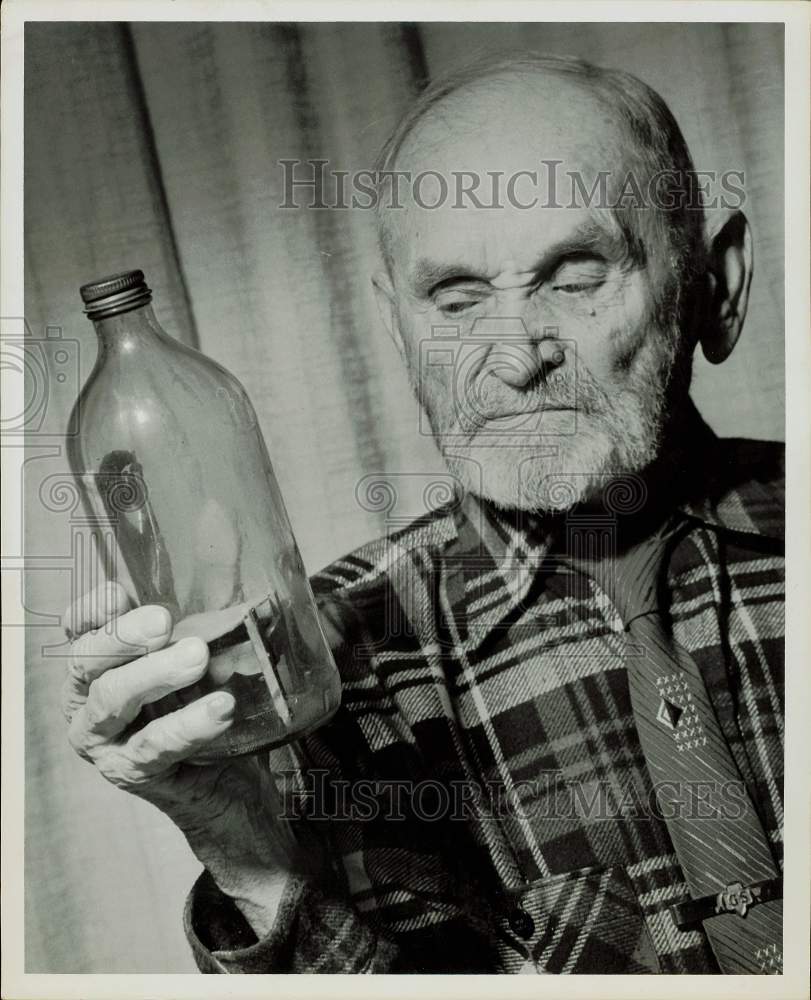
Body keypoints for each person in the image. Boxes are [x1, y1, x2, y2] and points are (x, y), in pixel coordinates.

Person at [62, 54, 784, 974]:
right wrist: (248, 856)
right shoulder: (322, 671)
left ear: (715, 287)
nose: (514, 358)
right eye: (456, 297)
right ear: (396, 326)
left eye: (573, 277)